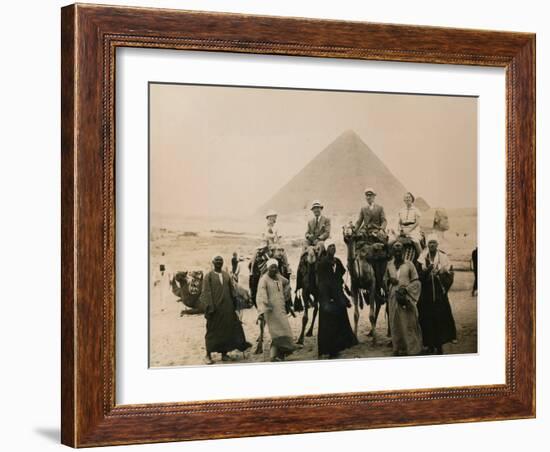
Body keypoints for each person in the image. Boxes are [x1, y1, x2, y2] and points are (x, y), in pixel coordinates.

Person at [200, 255, 251, 364]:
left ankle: (224, 354)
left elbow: (232, 291)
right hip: (214, 310)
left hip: (227, 309)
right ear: (213, 262)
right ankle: (208, 355)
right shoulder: (208, 276)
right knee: (212, 332)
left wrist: (236, 304)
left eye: (221, 260)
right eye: (217, 260)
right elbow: (206, 293)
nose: (219, 262)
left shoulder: (226, 275)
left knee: (226, 331)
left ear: (223, 263)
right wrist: (210, 307)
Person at [316, 239, 357, 358]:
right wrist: (328, 299)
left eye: (334, 246)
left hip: (338, 296)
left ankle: (339, 347)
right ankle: (330, 350)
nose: (333, 249)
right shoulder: (323, 263)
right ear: (326, 249)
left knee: (340, 321)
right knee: (329, 324)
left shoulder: (337, 262)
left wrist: (345, 294)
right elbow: (322, 283)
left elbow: (340, 279)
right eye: (330, 247)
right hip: (327, 298)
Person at [417, 234, 457, 354]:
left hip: (439, 292)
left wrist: (440, 274)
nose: (432, 245)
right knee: (427, 317)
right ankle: (429, 344)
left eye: (434, 243)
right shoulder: (422, 257)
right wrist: (427, 272)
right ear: (427, 245)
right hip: (427, 294)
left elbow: (450, 274)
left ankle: (440, 344)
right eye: (430, 243)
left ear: (437, 244)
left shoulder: (443, 257)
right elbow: (419, 275)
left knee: (440, 316)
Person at [385, 242, 423, 356]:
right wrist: (389, 281)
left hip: (405, 297)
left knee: (408, 322)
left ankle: (412, 349)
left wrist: (406, 289)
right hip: (393, 297)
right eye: (395, 249)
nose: (397, 251)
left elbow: (416, 282)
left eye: (400, 249)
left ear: (403, 252)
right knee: (395, 322)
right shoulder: (389, 265)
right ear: (392, 251)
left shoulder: (409, 265)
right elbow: (384, 280)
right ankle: (398, 348)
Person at [256, 259, 296, 361]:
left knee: (284, 331)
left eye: (275, 267)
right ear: (268, 268)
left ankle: (281, 355)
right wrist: (264, 307)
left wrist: (286, 295)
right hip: (270, 312)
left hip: (281, 310)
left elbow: (287, 283)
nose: (274, 269)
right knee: (275, 334)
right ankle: (273, 356)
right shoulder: (264, 279)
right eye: (271, 267)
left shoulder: (279, 278)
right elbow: (261, 295)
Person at [396, 192, 423, 257]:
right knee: (391, 242)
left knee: (416, 242)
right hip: (403, 230)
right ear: (404, 200)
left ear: (412, 199)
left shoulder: (416, 210)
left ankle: (422, 259)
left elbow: (417, 223)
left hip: (413, 230)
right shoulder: (401, 210)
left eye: (409, 197)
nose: (407, 199)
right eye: (406, 197)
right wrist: (401, 230)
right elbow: (399, 222)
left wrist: (409, 231)